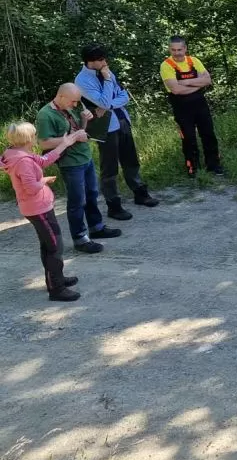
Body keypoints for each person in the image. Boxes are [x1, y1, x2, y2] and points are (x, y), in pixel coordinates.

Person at [1, 122, 84, 301]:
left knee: (48, 245)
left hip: (39, 206)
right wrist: (44, 181)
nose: (36, 137)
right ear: (29, 139)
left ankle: (55, 280)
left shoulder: (17, 153)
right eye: (34, 134)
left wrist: (65, 143)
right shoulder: (22, 161)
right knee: (55, 247)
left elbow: (45, 160)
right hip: (37, 208)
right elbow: (31, 188)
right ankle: (57, 289)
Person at [76, 44, 159, 220]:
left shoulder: (107, 71)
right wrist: (106, 84)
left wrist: (109, 105)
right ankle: (113, 205)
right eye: (101, 59)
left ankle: (140, 193)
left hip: (122, 120)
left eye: (105, 58)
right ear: (91, 62)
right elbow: (103, 101)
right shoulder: (82, 80)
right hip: (104, 126)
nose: (105, 62)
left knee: (131, 159)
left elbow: (123, 96)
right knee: (109, 167)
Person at [35, 83, 121, 254]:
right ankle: (80, 238)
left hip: (85, 157)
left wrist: (85, 119)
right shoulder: (45, 115)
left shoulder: (70, 106)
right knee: (77, 201)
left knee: (92, 194)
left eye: (77, 102)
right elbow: (44, 142)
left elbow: (81, 132)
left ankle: (96, 227)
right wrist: (74, 137)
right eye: (73, 102)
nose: (75, 105)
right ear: (61, 97)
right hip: (70, 163)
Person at [161, 36, 223, 177]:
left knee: (208, 134)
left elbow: (207, 80)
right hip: (182, 108)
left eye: (179, 49)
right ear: (169, 49)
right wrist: (197, 84)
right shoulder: (166, 65)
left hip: (200, 105)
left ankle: (214, 166)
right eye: (173, 50)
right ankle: (193, 169)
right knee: (188, 138)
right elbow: (176, 90)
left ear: (185, 48)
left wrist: (185, 82)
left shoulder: (194, 61)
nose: (177, 53)